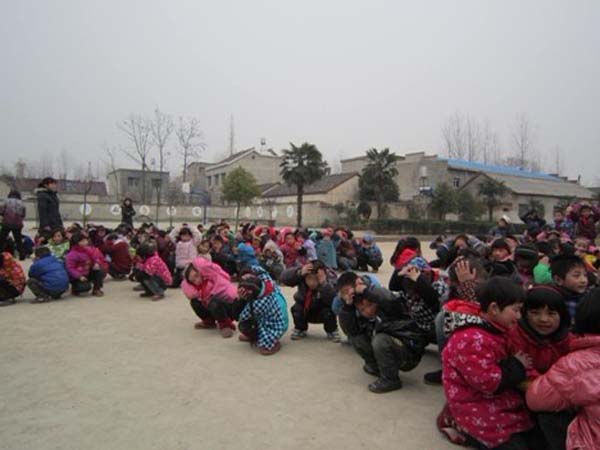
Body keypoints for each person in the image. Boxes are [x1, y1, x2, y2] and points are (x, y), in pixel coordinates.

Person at [442, 277, 541, 449]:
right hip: (474, 402)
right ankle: (464, 431)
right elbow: (488, 382)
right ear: (494, 308)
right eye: (516, 310)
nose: (519, 317)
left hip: (495, 397)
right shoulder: (471, 339)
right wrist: (517, 365)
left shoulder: (498, 329)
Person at [527, 287, 600, 450]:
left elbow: (535, 399)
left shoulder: (576, 363)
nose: (543, 319)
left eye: (551, 313)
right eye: (535, 312)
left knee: (548, 414)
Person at [338, 281, 427, 393]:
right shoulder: (366, 319)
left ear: (376, 301)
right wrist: (348, 307)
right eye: (362, 309)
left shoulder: (390, 308)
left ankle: (391, 380)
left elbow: (390, 299)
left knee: (380, 340)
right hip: (390, 348)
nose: (368, 311)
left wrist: (366, 290)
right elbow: (350, 330)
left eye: (370, 305)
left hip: (408, 352)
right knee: (356, 338)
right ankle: (376, 367)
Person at [280, 260, 341, 342]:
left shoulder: (330, 279)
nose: (312, 283)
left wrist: (323, 284)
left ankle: (332, 330)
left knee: (329, 312)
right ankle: (300, 329)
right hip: (305, 310)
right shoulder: (302, 277)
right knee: (296, 309)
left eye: (316, 279)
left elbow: (334, 300)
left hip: (322, 311)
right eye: (309, 278)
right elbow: (283, 278)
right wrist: (299, 272)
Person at [234, 267, 289, 355]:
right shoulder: (267, 281)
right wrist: (249, 271)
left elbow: (239, 317)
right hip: (280, 317)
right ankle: (258, 335)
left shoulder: (258, 303)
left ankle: (273, 342)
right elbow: (261, 270)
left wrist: (240, 299)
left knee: (244, 325)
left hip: (277, 325)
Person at [181, 256, 238, 338]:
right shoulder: (198, 288)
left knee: (214, 301)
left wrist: (196, 263)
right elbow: (189, 291)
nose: (197, 281)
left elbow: (206, 266)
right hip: (213, 308)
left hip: (228, 306)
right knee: (194, 302)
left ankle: (226, 325)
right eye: (193, 281)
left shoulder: (213, 276)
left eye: (196, 276)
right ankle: (209, 321)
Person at [551, 254, 589, 319]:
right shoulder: (553, 301)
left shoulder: (588, 298)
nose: (584, 280)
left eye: (585, 275)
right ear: (558, 280)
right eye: (576, 275)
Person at [0, 190, 26, 259]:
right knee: (18, 240)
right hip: (17, 224)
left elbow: (1, 211)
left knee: (2, 239)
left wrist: (4, 215)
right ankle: (22, 255)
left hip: (6, 223)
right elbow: (23, 214)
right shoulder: (21, 203)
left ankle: (0, 253)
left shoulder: (6, 201)